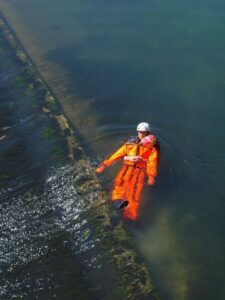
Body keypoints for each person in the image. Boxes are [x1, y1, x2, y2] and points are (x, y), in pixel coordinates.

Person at [96, 122, 158, 220]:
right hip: (126, 169)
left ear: (147, 132)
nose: (141, 135)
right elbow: (117, 155)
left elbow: (152, 163)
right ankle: (117, 207)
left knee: (134, 193)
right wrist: (104, 165)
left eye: (144, 133)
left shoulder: (152, 149)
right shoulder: (129, 144)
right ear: (137, 132)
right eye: (140, 132)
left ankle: (128, 214)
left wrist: (151, 176)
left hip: (139, 172)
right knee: (119, 185)